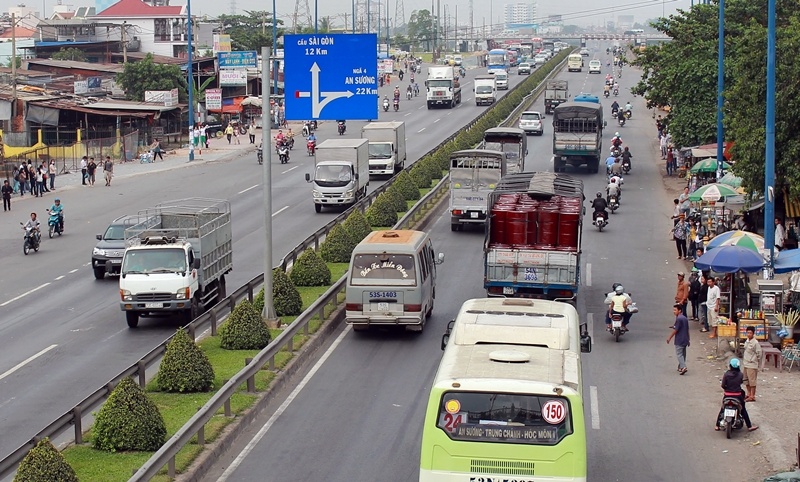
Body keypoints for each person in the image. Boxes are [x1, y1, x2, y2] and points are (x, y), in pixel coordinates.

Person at [715, 358, 758, 432]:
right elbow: (741, 382)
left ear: (730, 366)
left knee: (722, 408)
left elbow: (723, 385)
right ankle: (749, 426)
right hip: (738, 396)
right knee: (743, 409)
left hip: (727, 395)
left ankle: (717, 425)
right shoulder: (740, 375)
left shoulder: (726, 374)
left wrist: (727, 389)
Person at [667, 303, 690, 375]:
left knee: (679, 354)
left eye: (675, 310)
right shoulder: (684, 318)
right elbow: (687, 329)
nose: (674, 311)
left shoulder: (679, 319)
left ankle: (683, 367)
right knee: (683, 354)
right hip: (685, 339)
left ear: (679, 310)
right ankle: (680, 366)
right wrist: (688, 339)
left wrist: (669, 338)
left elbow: (675, 330)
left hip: (679, 339)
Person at [742, 326, 762, 402]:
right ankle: (749, 394)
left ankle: (752, 396)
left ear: (753, 333)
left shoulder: (755, 343)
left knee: (752, 381)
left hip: (752, 364)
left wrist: (755, 361)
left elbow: (759, 353)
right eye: (747, 333)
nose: (749, 334)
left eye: (750, 333)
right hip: (746, 363)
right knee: (746, 380)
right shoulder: (747, 341)